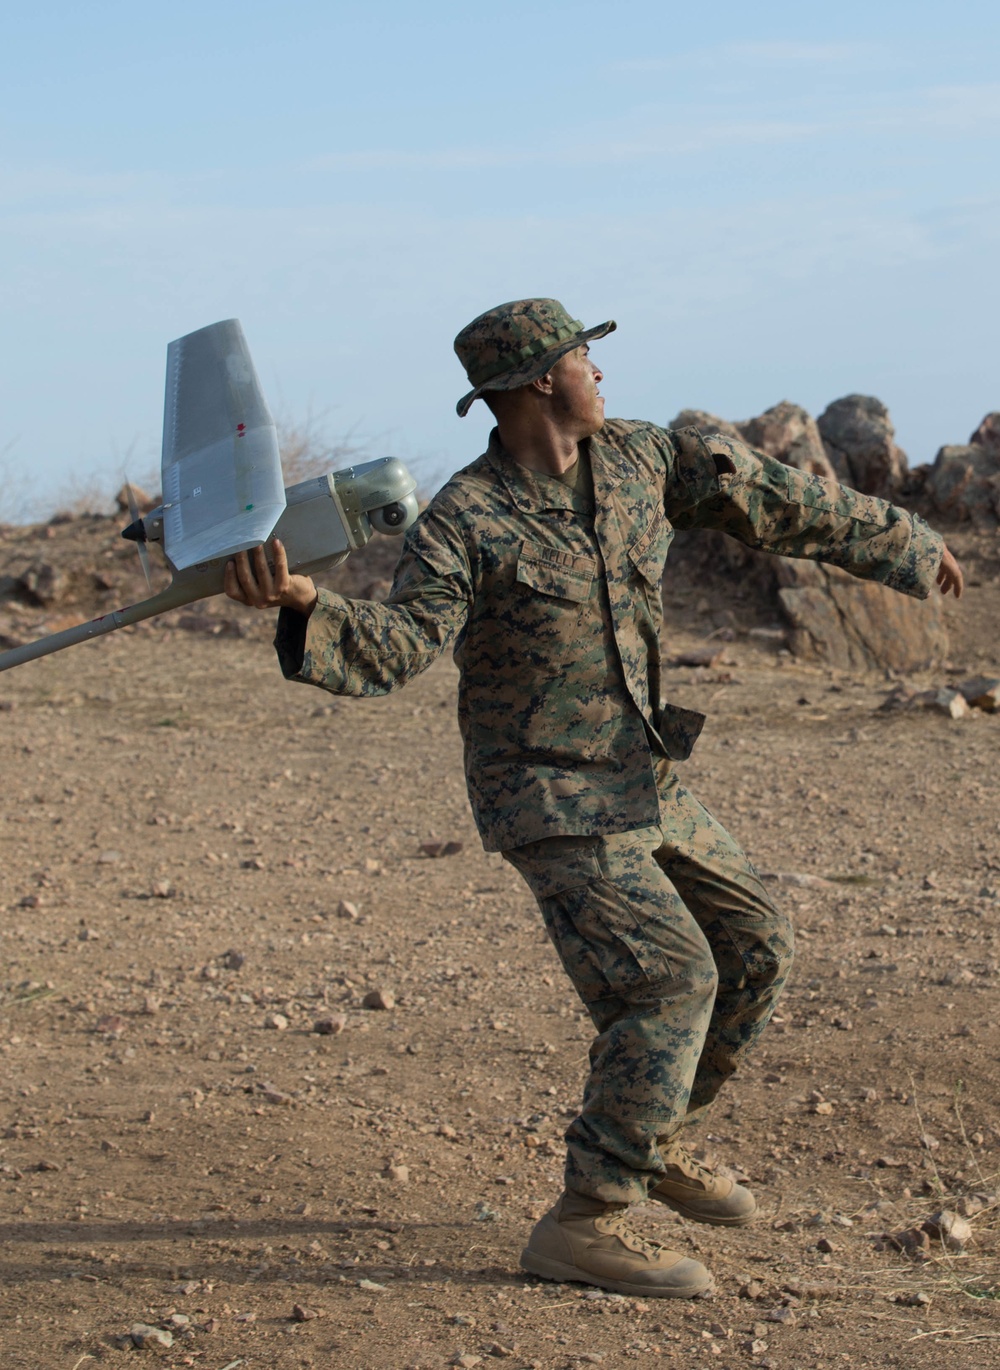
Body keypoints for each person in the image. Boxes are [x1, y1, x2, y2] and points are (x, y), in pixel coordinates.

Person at [224, 299, 963, 1299]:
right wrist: (306, 603)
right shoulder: (465, 519)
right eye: (582, 355)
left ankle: (653, 1138)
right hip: (546, 794)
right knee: (668, 980)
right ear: (537, 381)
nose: (598, 370)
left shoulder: (643, 460)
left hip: (639, 772)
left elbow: (786, 501)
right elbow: (398, 645)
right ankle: (585, 1218)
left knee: (757, 946)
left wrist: (906, 545)